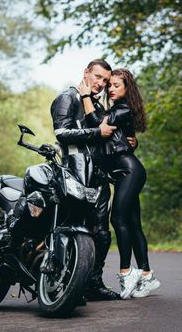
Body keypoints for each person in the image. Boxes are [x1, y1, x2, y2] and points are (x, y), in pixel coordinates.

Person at [78, 68, 160, 299]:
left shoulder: (122, 108)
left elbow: (97, 126)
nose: (110, 89)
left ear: (127, 89)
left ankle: (126, 272)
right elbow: (127, 137)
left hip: (129, 172)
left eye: (116, 85)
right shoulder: (118, 109)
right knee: (133, 223)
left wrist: (85, 97)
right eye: (109, 85)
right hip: (128, 171)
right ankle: (146, 277)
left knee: (118, 219)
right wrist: (132, 142)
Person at [50, 59, 120, 301]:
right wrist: (97, 133)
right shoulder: (67, 98)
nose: (101, 84)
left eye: (105, 81)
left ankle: (93, 284)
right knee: (73, 228)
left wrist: (130, 141)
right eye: (98, 77)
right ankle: (69, 283)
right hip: (74, 174)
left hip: (99, 178)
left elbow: (111, 134)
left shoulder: (97, 107)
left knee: (101, 233)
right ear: (86, 73)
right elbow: (61, 133)